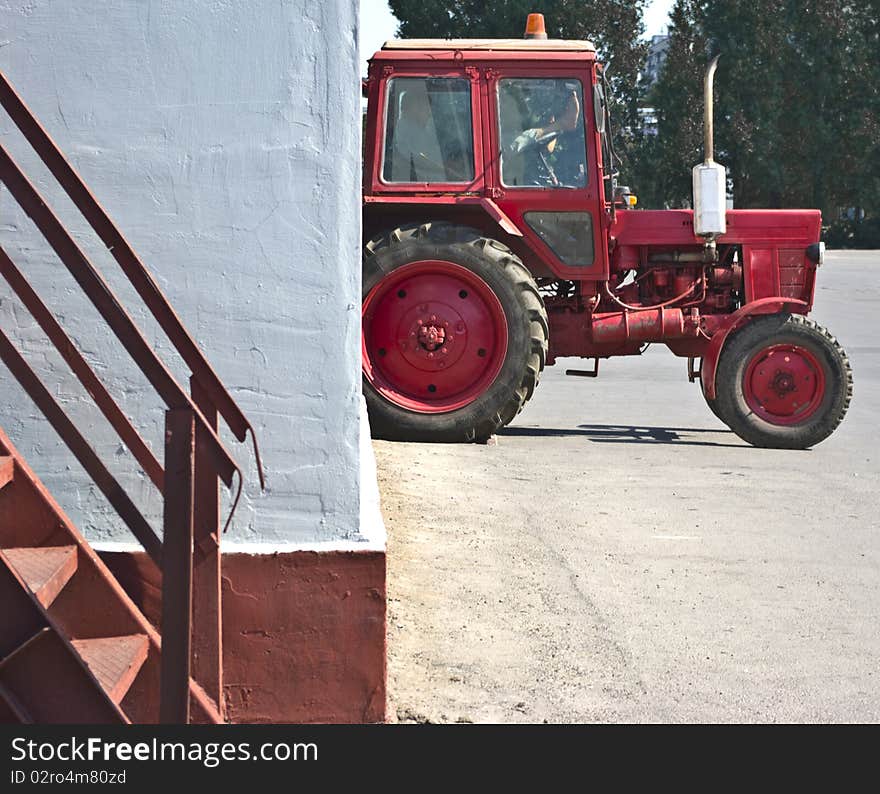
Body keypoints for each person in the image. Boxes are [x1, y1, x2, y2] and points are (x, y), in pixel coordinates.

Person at [505, 90, 583, 187]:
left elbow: (547, 149)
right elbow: (509, 147)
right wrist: (555, 126)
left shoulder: (549, 142)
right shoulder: (501, 141)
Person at [388, 90, 448, 182]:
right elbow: (420, 159)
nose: (429, 113)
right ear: (413, 108)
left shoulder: (418, 129)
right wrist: (446, 169)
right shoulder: (409, 129)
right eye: (426, 108)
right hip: (423, 183)